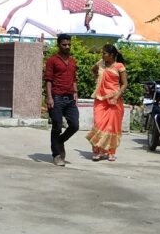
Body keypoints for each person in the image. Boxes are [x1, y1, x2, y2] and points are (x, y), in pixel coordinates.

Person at [85, 44, 128, 161]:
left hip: (114, 100)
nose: (102, 55)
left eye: (104, 53)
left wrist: (117, 96)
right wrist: (97, 79)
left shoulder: (119, 66)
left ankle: (110, 152)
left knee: (112, 127)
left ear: (112, 55)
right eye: (102, 53)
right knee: (99, 124)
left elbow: (124, 84)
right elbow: (93, 70)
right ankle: (98, 150)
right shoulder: (100, 64)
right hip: (100, 99)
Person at [44, 33, 79, 167]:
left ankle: (60, 141)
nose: (67, 46)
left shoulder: (72, 61)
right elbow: (48, 80)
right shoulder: (52, 60)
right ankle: (56, 154)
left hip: (70, 98)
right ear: (58, 45)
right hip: (56, 98)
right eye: (64, 44)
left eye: (69, 44)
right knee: (57, 126)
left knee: (75, 125)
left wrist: (75, 92)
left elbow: (74, 78)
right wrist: (49, 97)